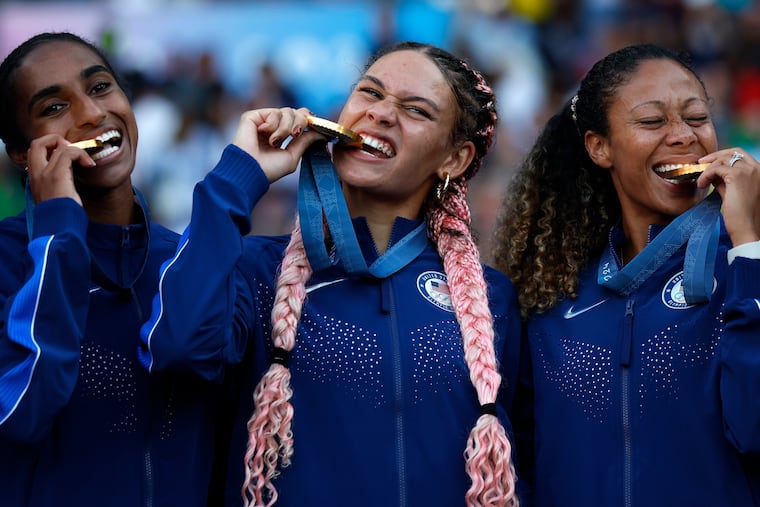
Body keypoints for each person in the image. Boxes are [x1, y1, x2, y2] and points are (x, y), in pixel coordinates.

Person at [139, 41, 525, 507]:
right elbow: (177, 346)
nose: (381, 114)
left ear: (454, 159)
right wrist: (239, 178)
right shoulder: (257, 270)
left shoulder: (491, 299)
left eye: (416, 110)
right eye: (370, 93)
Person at [492, 43, 760, 506]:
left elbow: (755, 430)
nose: (683, 136)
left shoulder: (742, 270)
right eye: (653, 122)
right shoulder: (551, 293)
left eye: (697, 119)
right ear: (600, 147)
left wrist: (749, 246)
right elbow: (526, 465)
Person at [0, 32, 220, 506]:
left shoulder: (181, 259)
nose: (92, 114)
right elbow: (24, 411)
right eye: (53, 107)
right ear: (21, 152)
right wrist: (58, 233)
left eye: (100, 88)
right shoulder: (6, 260)